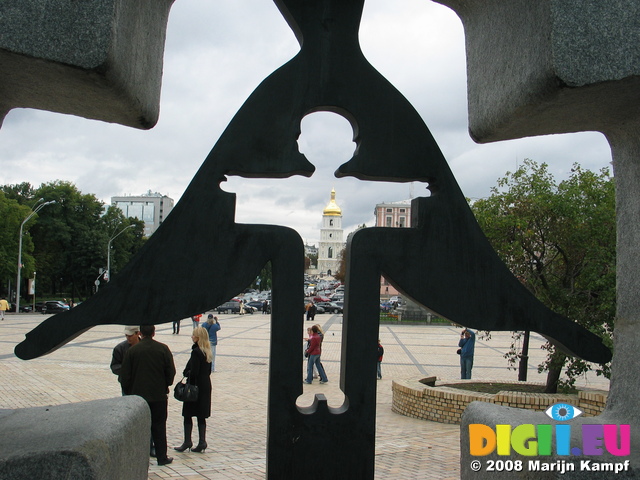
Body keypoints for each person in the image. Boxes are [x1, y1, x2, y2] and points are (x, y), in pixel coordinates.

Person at [121, 324, 176, 466]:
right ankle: (161, 457)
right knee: (159, 426)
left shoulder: (133, 351)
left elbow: (125, 376)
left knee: (138, 428)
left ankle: (137, 458)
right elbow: (171, 372)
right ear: (153, 332)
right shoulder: (163, 349)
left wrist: (128, 391)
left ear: (140, 333)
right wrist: (165, 384)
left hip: (138, 397)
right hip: (158, 396)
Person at [174, 327, 212, 454]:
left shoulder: (196, 352)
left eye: (193, 335)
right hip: (205, 385)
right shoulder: (207, 351)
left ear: (198, 338)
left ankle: (187, 441)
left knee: (188, 413)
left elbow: (193, 372)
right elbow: (208, 371)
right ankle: (202, 441)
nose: (192, 337)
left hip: (194, 386)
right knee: (201, 415)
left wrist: (187, 372)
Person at [110, 326, 141, 394]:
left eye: (130, 335)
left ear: (138, 333)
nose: (128, 338)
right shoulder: (119, 348)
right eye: (126, 335)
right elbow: (114, 367)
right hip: (127, 385)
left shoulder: (145, 347)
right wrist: (128, 369)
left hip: (143, 384)